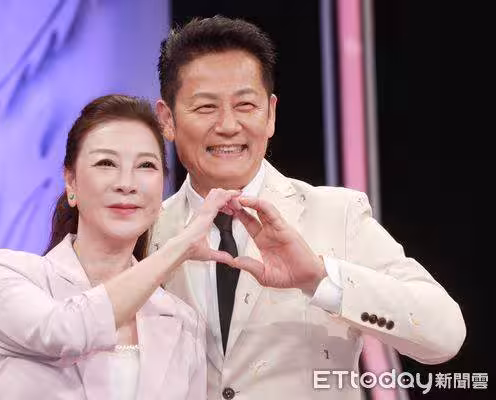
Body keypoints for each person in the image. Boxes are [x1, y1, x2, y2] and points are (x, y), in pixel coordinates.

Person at [151, 16, 466, 399]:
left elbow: (445, 333)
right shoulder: (148, 229)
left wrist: (321, 278)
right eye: (205, 108)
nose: (228, 125)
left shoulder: (337, 214)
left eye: (245, 105)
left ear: (271, 114)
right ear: (167, 120)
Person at [0, 95, 242, 399]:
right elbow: (64, 332)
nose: (126, 183)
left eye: (146, 165)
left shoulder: (182, 321)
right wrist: (180, 246)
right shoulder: (6, 275)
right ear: (71, 183)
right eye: (106, 163)